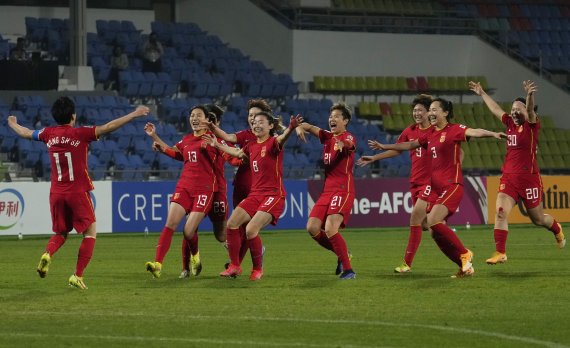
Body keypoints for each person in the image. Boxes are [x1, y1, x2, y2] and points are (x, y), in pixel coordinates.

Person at [7, 97, 149, 289]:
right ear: (73, 116)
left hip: (56, 192)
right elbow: (109, 126)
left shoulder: (48, 134)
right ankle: (77, 275)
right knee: (90, 232)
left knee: (61, 232)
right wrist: (134, 113)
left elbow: (25, 133)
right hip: (77, 191)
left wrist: (13, 123)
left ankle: (48, 254)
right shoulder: (80, 133)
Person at [373, 98, 506, 277]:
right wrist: (384, 146)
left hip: (451, 185)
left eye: (434, 109)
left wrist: (492, 134)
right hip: (436, 189)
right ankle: (463, 266)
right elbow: (411, 144)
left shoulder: (454, 130)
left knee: (433, 220)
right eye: (431, 110)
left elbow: (474, 131)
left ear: (445, 113)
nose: (431, 113)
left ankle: (465, 253)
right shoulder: (431, 134)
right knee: (434, 232)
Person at [469, 80, 566, 264]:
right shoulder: (509, 124)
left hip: (529, 180)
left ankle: (556, 229)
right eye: (512, 109)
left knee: (538, 219)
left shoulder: (532, 126)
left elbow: (529, 111)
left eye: (517, 109)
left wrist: (529, 95)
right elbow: (496, 109)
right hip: (509, 179)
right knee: (500, 212)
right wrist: (482, 93)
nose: (514, 112)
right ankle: (500, 252)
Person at [202, 111, 303, 281]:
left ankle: (257, 269)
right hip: (255, 194)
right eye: (254, 122)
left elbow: (282, 139)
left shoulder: (273, 142)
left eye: (261, 121)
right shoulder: (251, 145)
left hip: (273, 195)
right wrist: (217, 144)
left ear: (271, 126)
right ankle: (235, 266)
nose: (256, 124)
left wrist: (291, 128)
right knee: (232, 224)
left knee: (250, 229)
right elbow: (237, 153)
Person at [357, 95, 435, 273]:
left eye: (420, 110)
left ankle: (406, 263)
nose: (416, 113)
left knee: (414, 218)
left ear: (429, 112)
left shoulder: (436, 131)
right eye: (414, 110)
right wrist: (375, 158)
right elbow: (398, 149)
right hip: (415, 182)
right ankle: (462, 253)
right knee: (427, 225)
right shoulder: (410, 131)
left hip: (431, 182)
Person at [144, 105, 221, 278]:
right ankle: (157, 265)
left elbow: (226, 152)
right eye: (192, 115)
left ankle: (195, 257)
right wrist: (155, 137)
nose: (194, 118)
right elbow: (174, 152)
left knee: (188, 230)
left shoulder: (213, 139)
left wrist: (214, 142)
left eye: (198, 115)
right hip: (184, 187)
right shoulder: (186, 140)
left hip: (205, 190)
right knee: (170, 223)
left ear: (206, 119)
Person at [205, 99, 272, 267]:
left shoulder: (270, 139)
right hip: (241, 185)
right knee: (237, 227)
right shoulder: (245, 135)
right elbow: (228, 140)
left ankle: (239, 264)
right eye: (250, 115)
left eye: (256, 115)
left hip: (257, 188)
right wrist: (214, 129)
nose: (252, 118)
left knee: (249, 228)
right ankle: (238, 262)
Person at [294, 102, 356, 279]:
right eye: (331, 116)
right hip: (327, 190)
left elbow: (348, 145)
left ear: (345, 121)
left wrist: (341, 144)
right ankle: (342, 253)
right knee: (312, 228)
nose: (332, 119)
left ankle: (349, 270)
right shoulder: (327, 137)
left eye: (337, 116)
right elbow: (309, 126)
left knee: (330, 228)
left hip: (343, 189)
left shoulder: (348, 136)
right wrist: (299, 128)